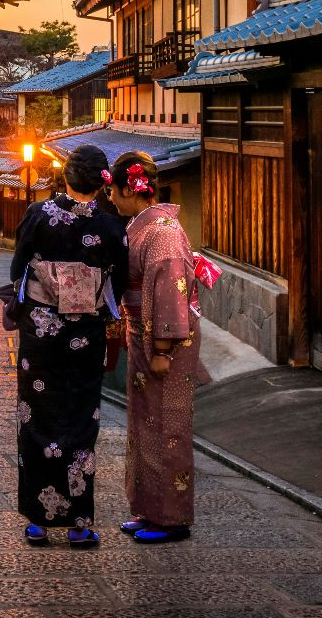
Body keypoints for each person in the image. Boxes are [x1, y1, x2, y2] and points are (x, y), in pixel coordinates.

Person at [9, 144, 128, 548]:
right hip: (86, 336)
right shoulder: (111, 226)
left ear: (66, 176)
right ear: (101, 182)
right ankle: (80, 524)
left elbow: (18, 266)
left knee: (37, 416)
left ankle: (39, 522)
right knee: (80, 420)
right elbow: (120, 281)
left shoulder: (38, 214)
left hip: (41, 332)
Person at [108, 150, 219, 544]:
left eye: (113, 191)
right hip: (143, 333)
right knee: (144, 421)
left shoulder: (163, 233)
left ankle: (171, 518)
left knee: (167, 424)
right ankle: (149, 509)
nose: (111, 198)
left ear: (129, 188)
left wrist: (162, 349)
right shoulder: (143, 226)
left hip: (164, 339)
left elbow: (171, 292)